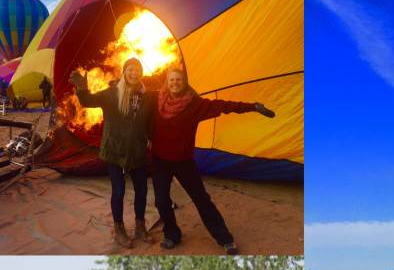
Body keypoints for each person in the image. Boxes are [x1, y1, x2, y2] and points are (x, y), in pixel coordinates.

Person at [150, 65, 275, 255]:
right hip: (160, 161)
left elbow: (223, 106)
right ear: (166, 82)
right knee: (161, 201)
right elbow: (135, 100)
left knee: (201, 199)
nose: (175, 83)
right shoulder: (156, 100)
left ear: (184, 83)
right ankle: (172, 234)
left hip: (184, 161)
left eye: (179, 80)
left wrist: (252, 107)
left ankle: (225, 238)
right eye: (171, 80)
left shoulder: (195, 104)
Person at [69, 58, 155, 249]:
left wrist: (150, 138)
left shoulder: (147, 97)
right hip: (115, 151)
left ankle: (140, 227)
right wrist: (82, 88)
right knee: (119, 191)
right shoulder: (112, 94)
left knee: (142, 190)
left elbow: (149, 121)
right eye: (130, 70)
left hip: (137, 151)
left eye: (137, 70)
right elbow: (88, 101)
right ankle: (119, 230)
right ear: (124, 72)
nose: (134, 73)